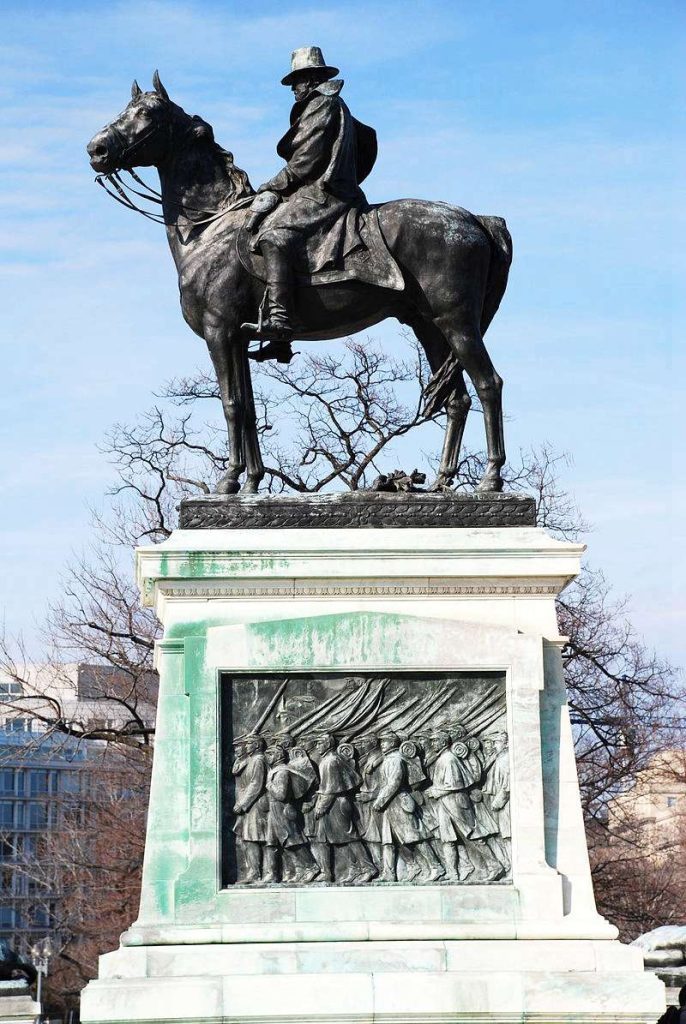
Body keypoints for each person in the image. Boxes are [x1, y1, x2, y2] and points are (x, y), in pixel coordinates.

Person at [242, 46, 377, 360]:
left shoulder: (322, 104)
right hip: (320, 188)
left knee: (273, 235)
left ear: (314, 78)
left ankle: (279, 320)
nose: (294, 88)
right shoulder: (323, 104)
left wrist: (270, 188)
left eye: (299, 79)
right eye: (293, 81)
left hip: (325, 193)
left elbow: (304, 162)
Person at [312, 733, 376, 883]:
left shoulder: (331, 761)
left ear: (327, 744)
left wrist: (320, 807)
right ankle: (328, 872)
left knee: (349, 837)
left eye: (320, 743)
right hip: (331, 803)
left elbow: (331, 789)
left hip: (336, 804)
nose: (317, 746)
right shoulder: (328, 760)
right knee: (323, 839)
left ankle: (368, 868)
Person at [232, 735, 269, 883]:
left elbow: (256, 784)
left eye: (249, 744)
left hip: (256, 805)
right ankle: (255, 871)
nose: (246, 746)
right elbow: (236, 770)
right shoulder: (251, 760)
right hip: (250, 805)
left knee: (252, 838)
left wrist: (242, 803)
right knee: (248, 838)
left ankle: (256, 873)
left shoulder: (259, 760)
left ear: (257, 745)